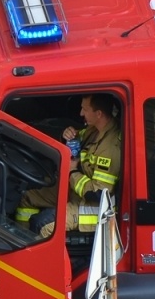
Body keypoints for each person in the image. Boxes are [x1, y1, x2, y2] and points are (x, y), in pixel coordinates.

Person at [17, 94, 122, 237]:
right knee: (27, 197)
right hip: (75, 192)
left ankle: (35, 254)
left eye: (84, 109)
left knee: (45, 226)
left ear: (98, 114)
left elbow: (98, 193)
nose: (81, 113)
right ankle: (22, 238)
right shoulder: (95, 129)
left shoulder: (110, 148)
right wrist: (67, 135)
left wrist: (72, 171)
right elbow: (79, 138)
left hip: (91, 208)